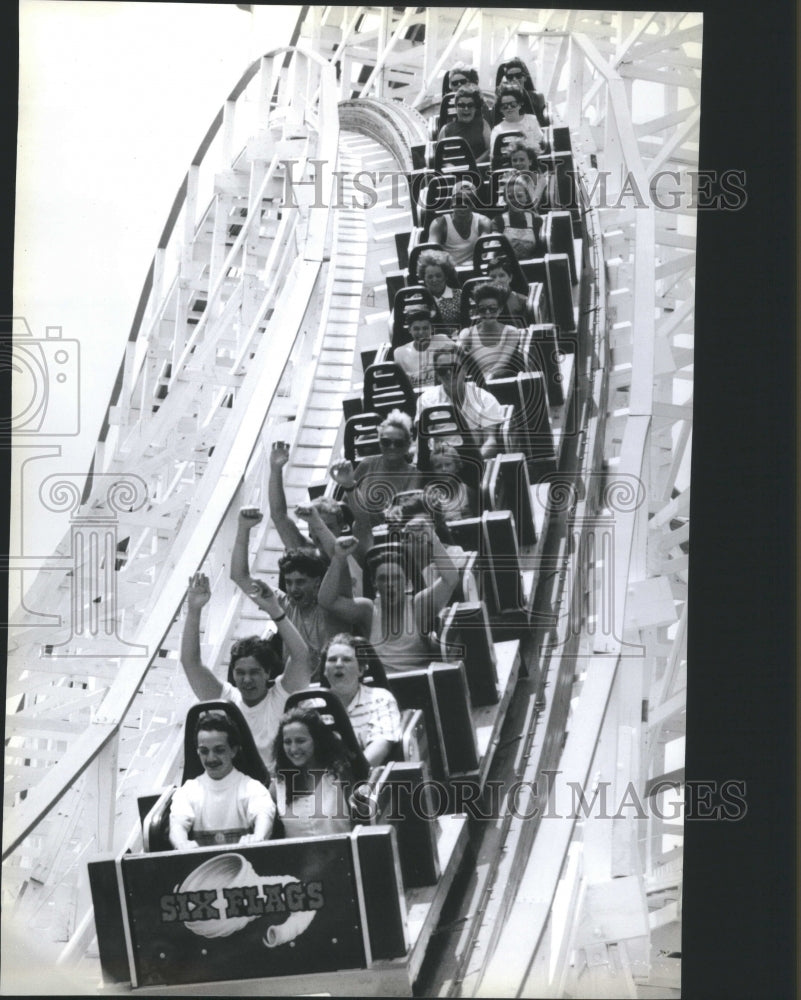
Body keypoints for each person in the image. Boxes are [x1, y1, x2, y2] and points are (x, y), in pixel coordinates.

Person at [180, 572, 313, 769]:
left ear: (267, 672)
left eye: (254, 672)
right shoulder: (226, 700)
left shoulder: (281, 696)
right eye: (240, 673)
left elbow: (301, 656)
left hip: (280, 785)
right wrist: (194, 609)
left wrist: (274, 610)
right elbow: (190, 662)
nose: (247, 679)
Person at [231, 509, 356, 673]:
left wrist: (316, 522)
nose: (293, 589)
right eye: (289, 582)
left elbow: (339, 560)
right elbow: (240, 577)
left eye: (300, 582)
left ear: (317, 582)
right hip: (295, 689)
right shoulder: (284, 603)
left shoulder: (332, 604)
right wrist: (243, 528)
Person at [318, 529, 458, 674]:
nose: (390, 584)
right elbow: (327, 601)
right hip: (380, 686)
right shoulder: (368, 610)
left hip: (418, 683)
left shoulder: (418, 606)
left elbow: (451, 579)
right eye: (383, 578)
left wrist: (432, 537)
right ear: (374, 584)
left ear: (408, 584)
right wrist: (338, 558)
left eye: (396, 578)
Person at [169, 711, 275, 849]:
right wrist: (182, 843)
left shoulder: (252, 788)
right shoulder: (187, 791)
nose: (211, 758)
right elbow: (177, 824)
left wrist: (258, 837)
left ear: (233, 751)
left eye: (219, 750)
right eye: (204, 751)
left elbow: (264, 814)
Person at [330, 410, 425, 528]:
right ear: (380, 443)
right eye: (386, 442)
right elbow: (345, 504)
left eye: (398, 443)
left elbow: (404, 510)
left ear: (407, 445)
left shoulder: (414, 475)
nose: (392, 447)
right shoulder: (367, 464)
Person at [271, 706, 355, 837]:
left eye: (300, 741)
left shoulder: (341, 775)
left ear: (316, 740)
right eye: (287, 742)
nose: (293, 749)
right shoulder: (278, 785)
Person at [320, 633, 401, 767]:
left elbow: (380, 746)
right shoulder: (310, 706)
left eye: (347, 660)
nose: (338, 664)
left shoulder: (380, 699)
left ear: (361, 670)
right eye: (332, 660)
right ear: (324, 670)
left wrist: (350, 777)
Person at [416, 345, 506, 461]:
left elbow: (490, 441)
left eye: (454, 368)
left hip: (475, 461)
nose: (449, 373)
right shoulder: (426, 401)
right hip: (440, 464)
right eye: (442, 370)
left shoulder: (484, 399)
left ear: (465, 369)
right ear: (437, 375)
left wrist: (471, 463)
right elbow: (421, 444)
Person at [268, 440, 352, 558]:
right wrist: (276, 470)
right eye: (316, 527)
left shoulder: (354, 552)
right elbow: (278, 516)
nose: (321, 532)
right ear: (309, 529)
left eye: (329, 527)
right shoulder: (307, 552)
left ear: (341, 527)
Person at [458, 283, 522, 382]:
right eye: (482, 309)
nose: (487, 313)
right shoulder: (467, 334)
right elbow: (459, 356)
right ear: (477, 310)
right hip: (475, 383)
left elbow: (503, 362)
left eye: (492, 309)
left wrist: (487, 380)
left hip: (501, 381)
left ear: (500, 309)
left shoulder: (511, 332)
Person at [429, 181, 492, 267]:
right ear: (452, 202)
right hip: (449, 271)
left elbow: (485, 254)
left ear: (473, 204)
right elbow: (432, 253)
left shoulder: (483, 222)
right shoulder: (439, 224)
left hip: (475, 269)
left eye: (467, 202)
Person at [393, 309, 454, 388]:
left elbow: (462, 356)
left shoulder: (442, 341)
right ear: (409, 330)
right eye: (416, 329)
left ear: (431, 329)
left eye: (425, 328)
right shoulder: (399, 353)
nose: (421, 333)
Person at [437, 84, 491, 164]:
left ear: (475, 108)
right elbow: (440, 157)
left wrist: (474, 164)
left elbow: (490, 150)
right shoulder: (446, 130)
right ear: (456, 107)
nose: (466, 109)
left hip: (478, 172)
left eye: (470, 105)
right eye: (461, 105)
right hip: (453, 173)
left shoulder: (482, 124)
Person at [490, 84, 546, 161]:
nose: (509, 108)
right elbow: (494, 156)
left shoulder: (531, 120)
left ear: (520, 104)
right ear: (500, 109)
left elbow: (541, 144)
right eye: (504, 106)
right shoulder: (497, 130)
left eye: (513, 104)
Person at [426, 441, 480, 519]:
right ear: (433, 470)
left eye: (448, 464)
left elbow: (477, 518)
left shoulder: (468, 491)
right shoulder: (431, 496)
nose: (444, 469)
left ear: (456, 466)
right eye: (438, 466)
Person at [415, 250, 463, 334]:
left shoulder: (460, 295)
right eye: (430, 277)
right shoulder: (417, 299)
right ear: (424, 279)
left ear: (446, 276)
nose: (434, 280)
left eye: (438, 276)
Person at [499, 57, 549, 126]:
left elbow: (540, 125)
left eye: (518, 75)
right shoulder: (501, 101)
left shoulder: (536, 98)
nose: (514, 79)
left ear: (525, 78)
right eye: (510, 77)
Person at [486, 257, 528, 323]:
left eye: (501, 275)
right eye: (493, 277)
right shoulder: (483, 304)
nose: (497, 280)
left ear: (510, 278)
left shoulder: (522, 301)